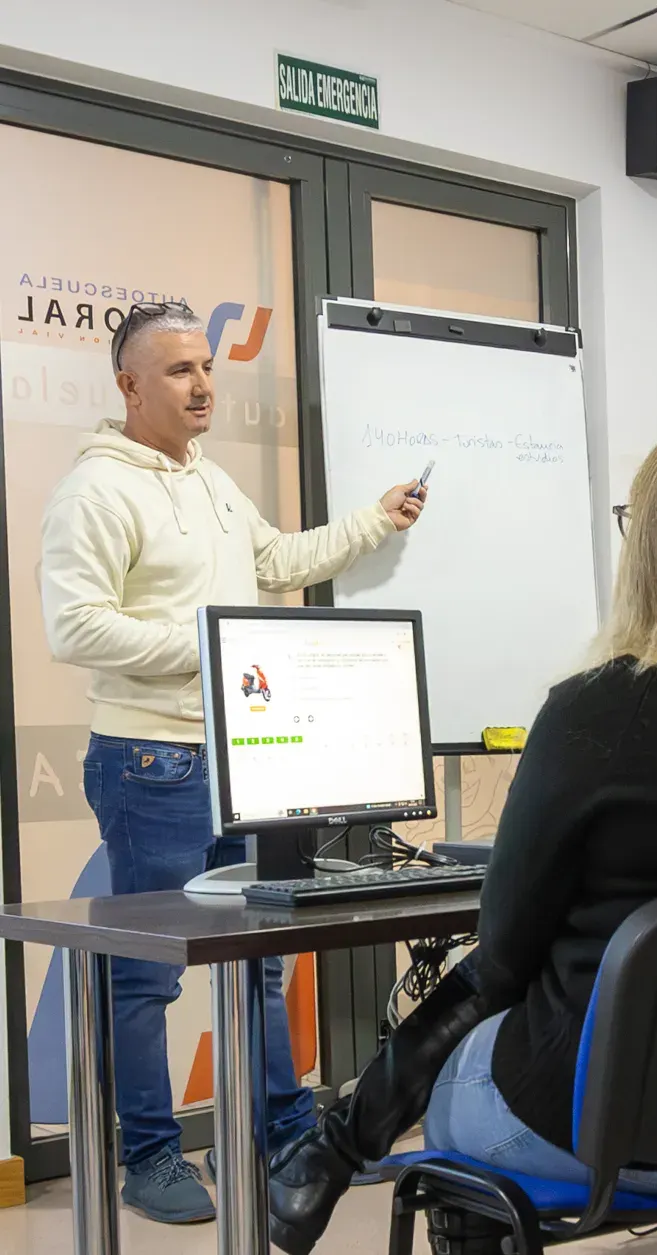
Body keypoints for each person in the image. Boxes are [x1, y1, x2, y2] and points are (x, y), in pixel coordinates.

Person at [263, 419, 657, 1255]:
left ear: (652, 551)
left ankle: (339, 1145)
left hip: (611, 1130)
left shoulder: (596, 711)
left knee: (477, 1053)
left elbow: (504, 950)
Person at [40, 300, 427, 1225]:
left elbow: (279, 559)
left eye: (208, 365)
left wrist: (375, 522)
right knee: (149, 975)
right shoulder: (96, 490)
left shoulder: (211, 481)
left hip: (242, 760)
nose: (203, 383)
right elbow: (74, 625)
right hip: (151, 760)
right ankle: (149, 1155)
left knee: (257, 963)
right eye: (178, 370)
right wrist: (213, 649)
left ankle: (285, 1134)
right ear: (130, 386)